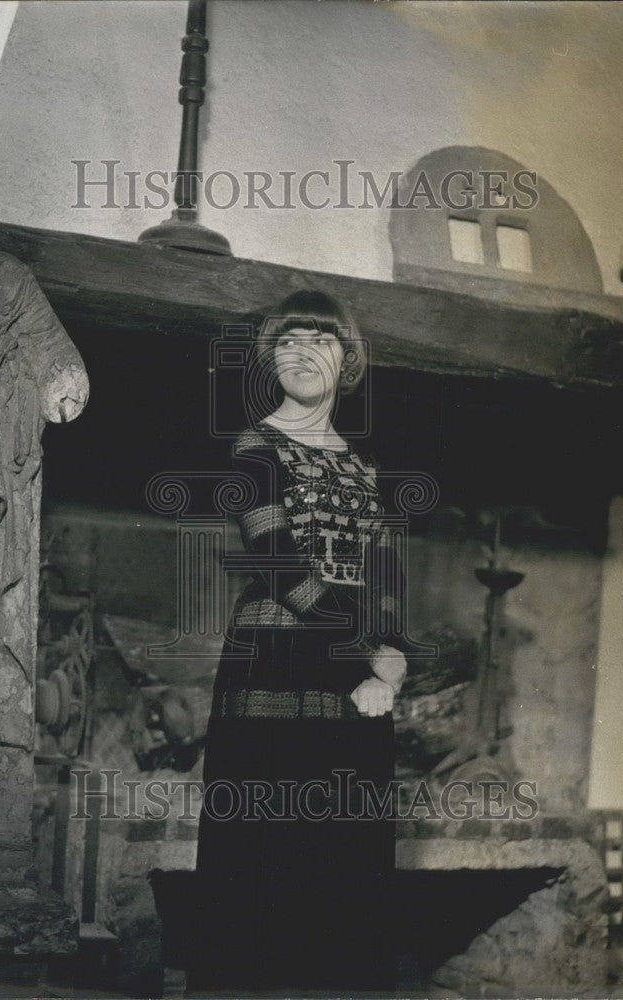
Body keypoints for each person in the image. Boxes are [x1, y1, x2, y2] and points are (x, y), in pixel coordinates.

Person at [186, 290, 409, 997]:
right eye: (288, 340)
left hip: (362, 678)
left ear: (347, 360)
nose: (304, 351)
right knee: (261, 859)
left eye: (321, 338)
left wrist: (394, 659)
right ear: (268, 359)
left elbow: (385, 572)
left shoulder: (367, 466)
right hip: (277, 659)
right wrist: (363, 653)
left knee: (342, 867)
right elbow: (278, 562)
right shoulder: (254, 446)